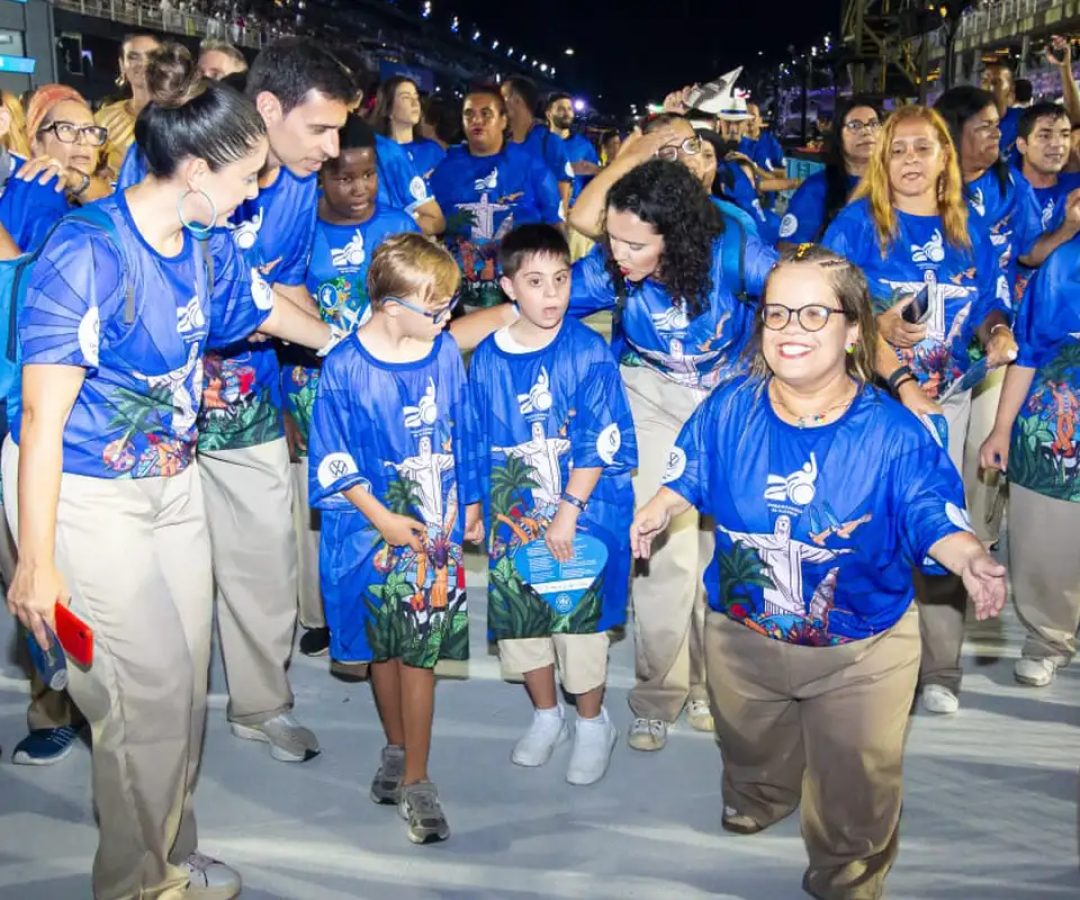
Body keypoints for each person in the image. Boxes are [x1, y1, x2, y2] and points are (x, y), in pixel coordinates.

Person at [3, 42, 341, 899]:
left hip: (173, 487)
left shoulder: (207, 243)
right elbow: (42, 421)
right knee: (142, 695)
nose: (260, 191)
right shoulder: (89, 251)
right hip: (83, 497)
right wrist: (37, 565)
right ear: (196, 172)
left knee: (181, 686)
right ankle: (136, 884)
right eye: (250, 176)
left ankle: (170, 848)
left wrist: (359, 346)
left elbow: (272, 312)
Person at [630, 243, 1007, 900]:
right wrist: (662, 504)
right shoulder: (730, 406)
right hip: (743, 635)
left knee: (858, 784)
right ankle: (763, 794)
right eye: (776, 315)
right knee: (749, 744)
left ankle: (848, 878)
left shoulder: (894, 431)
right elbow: (693, 465)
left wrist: (969, 555)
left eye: (811, 315)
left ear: (853, 329)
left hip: (861, 647)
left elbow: (929, 510)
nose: (789, 331)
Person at [569, 158, 775, 751]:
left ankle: (714, 685)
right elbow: (549, 298)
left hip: (731, 406)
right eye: (612, 239)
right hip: (651, 397)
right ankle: (657, 692)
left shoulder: (735, 251)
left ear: (676, 237)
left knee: (723, 549)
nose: (619, 254)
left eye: (635, 244)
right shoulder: (614, 264)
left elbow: (804, 293)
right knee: (664, 551)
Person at [822, 104, 1017, 716]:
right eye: (898, 149)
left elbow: (989, 298)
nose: (910, 160)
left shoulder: (969, 229)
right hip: (871, 408)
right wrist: (872, 325)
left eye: (922, 149)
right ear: (883, 161)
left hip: (950, 401)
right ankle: (871, 658)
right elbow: (823, 302)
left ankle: (941, 668)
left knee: (940, 522)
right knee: (870, 529)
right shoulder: (856, 226)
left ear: (943, 160)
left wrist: (996, 331)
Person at [195, 37, 353, 764]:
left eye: (341, 130)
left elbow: (284, 283)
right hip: (152, 412)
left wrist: (337, 353)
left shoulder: (295, 187)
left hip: (250, 399)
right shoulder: (188, 157)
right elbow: (236, 297)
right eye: (320, 128)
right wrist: (338, 347)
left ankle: (261, 706)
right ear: (266, 108)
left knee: (266, 556)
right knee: (175, 579)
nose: (333, 148)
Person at [308, 233, 483, 844]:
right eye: (436, 310)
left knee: (421, 656)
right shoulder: (345, 367)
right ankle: (396, 744)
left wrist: (476, 500)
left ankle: (417, 779)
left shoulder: (439, 356)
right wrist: (380, 516)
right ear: (391, 309)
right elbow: (330, 456)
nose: (447, 320)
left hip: (433, 530)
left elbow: (465, 428)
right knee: (381, 650)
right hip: (366, 531)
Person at [470, 224, 636, 785]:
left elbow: (601, 437)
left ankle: (593, 722)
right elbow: (475, 436)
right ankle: (547, 715)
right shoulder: (489, 359)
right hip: (513, 516)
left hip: (580, 513)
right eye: (536, 282)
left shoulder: (588, 352)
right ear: (508, 287)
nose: (552, 295)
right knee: (524, 626)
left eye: (561, 280)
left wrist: (568, 509)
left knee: (577, 625)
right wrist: (473, 504)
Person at [283, 114, 420, 657]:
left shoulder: (395, 225)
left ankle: (390, 598)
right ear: (321, 176)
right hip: (311, 390)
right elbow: (273, 320)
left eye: (367, 176)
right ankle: (322, 614)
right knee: (319, 510)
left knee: (384, 497)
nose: (358, 188)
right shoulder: (299, 230)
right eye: (344, 177)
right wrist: (282, 404)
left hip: (385, 394)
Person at [980, 238, 1080, 688]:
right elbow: (1031, 352)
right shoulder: (1064, 263)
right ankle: (1047, 638)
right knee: (1047, 538)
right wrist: (1001, 428)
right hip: (1059, 423)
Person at [428, 85, 562, 310]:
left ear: (503, 120)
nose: (476, 120)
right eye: (469, 114)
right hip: (459, 296)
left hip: (519, 296)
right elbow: (430, 227)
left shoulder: (533, 168)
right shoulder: (443, 171)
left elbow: (556, 227)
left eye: (486, 114)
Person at [779, 96, 882, 246]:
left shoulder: (896, 186)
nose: (867, 131)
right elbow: (788, 250)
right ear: (838, 136)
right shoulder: (815, 189)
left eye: (873, 124)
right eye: (855, 125)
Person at [23, 85, 112, 203]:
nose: (82, 140)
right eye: (66, 128)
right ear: (36, 143)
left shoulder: (119, 193)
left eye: (90, 130)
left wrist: (76, 181)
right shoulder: (18, 203)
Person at [95, 33, 163, 178]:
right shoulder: (103, 119)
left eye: (152, 56)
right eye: (133, 57)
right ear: (122, 65)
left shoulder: (182, 116)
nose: (143, 63)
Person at [502, 76, 574, 212]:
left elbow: (563, 186)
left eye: (504, 97)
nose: (499, 104)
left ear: (517, 101)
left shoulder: (548, 142)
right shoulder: (502, 143)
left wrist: (556, 228)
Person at [1016, 101, 1080, 240]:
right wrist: (1070, 227)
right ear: (1022, 145)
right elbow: (1029, 256)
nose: (1057, 144)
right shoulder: (1004, 197)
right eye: (1045, 136)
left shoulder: (1076, 187)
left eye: (1065, 135)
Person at [369, 76, 446, 184]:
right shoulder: (375, 153)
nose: (415, 103)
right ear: (388, 108)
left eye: (416, 97)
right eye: (406, 97)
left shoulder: (433, 151)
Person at [546, 92, 600, 203]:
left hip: (573, 211)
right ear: (549, 114)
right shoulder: (536, 144)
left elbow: (594, 182)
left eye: (569, 109)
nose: (567, 113)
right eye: (561, 109)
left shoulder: (584, 146)